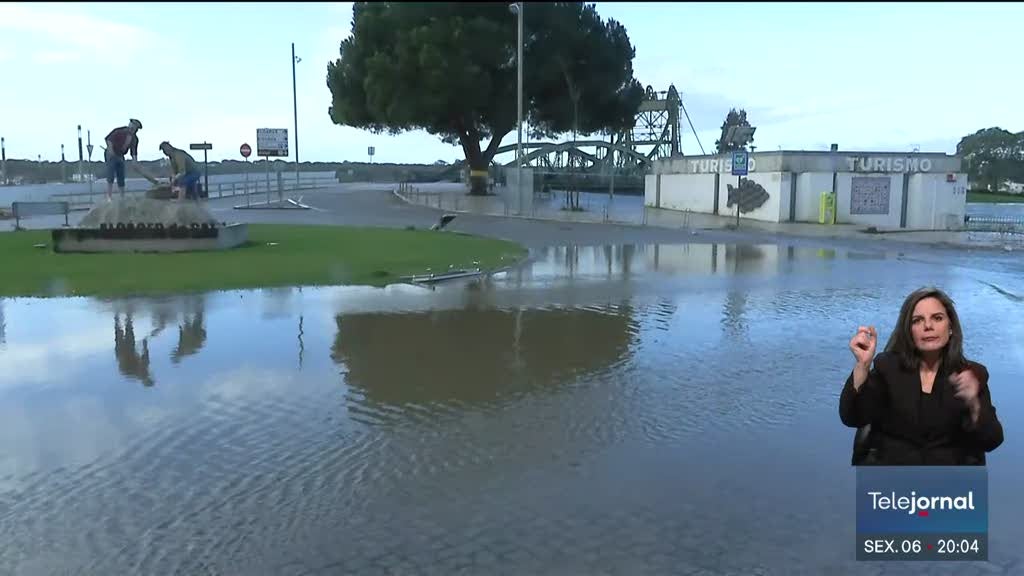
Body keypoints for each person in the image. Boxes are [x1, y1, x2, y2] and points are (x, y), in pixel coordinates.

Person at [839, 286, 1003, 465]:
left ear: (951, 328)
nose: (928, 326)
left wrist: (974, 405)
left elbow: (992, 441)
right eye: (917, 320)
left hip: (949, 479)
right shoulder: (888, 367)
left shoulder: (972, 374)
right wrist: (862, 365)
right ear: (909, 331)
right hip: (892, 476)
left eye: (937, 318)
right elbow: (853, 417)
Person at [104, 119, 142, 200]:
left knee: (121, 175)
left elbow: (134, 151)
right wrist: (111, 150)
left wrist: (135, 162)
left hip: (120, 155)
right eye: (131, 127)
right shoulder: (119, 131)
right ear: (129, 126)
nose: (132, 129)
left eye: (134, 128)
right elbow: (108, 139)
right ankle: (109, 197)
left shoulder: (134, 139)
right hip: (111, 154)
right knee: (110, 174)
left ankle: (122, 197)